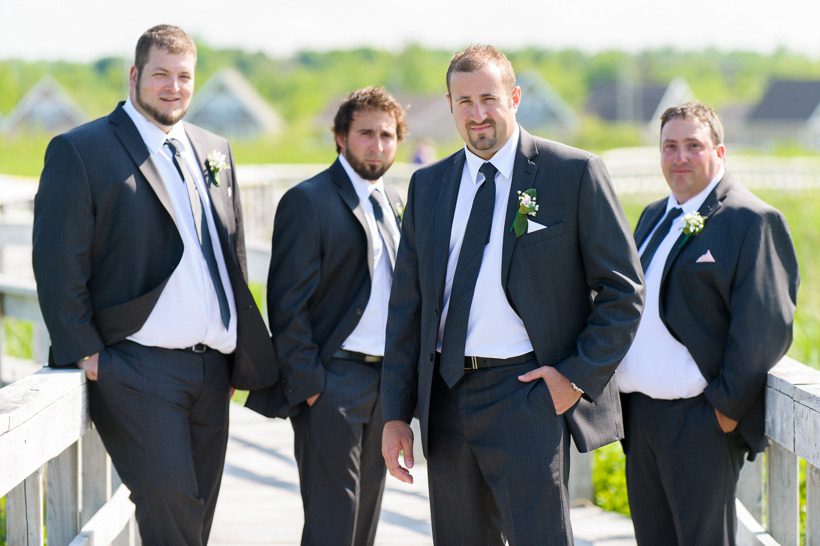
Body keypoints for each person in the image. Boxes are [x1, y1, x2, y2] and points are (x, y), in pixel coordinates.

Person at [380, 44, 644, 545]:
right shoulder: (428, 185)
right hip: (446, 396)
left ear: (515, 97)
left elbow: (623, 292)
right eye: (464, 102)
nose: (478, 115)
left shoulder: (573, 173)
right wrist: (395, 413)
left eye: (489, 98)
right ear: (451, 105)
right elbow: (407, 308)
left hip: (527, 394)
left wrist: (574, 378)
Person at [32, 24, 277, 545]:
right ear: (135, 76)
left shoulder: (212, 149)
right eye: (161, 74)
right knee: (170, 507)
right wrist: (87, 354)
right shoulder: (82, 150)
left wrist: (234, 352)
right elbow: (58, 261)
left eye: (184, 76)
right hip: (137, 367)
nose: (173, 87)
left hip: (213, 372)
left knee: (196, 515)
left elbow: (230, 255)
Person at [617, 101, 799, 545]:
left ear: (720, 152)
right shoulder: (654, 216)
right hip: (641, 419)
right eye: (669, 146)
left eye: (693, 146)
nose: (679, 157)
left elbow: (765, 326)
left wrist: (722, 413)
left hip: (699, 422)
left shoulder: (750, 220)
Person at [246, 87, 407, 546]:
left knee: (365, 521)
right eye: (365, 134)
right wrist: (312, 385)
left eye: (387, 135)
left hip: (385, 388)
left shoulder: (395, 203)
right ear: (340, 137)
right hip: (333, 382)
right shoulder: (309, 200)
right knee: (333, 522)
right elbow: (287, 303)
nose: (377, 145)